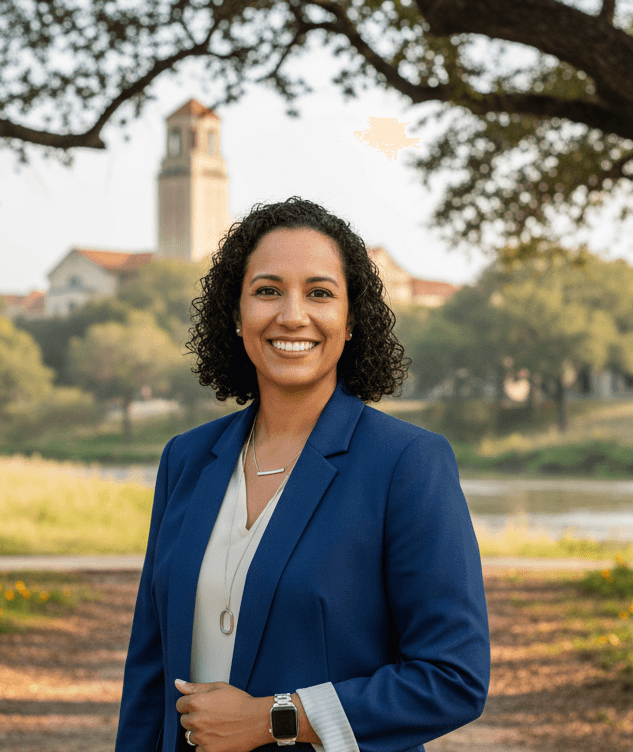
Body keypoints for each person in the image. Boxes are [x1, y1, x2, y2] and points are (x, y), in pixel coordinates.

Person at [115, 197, 489, 752]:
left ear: (351, 318)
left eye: (320, 293)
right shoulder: (186, 460)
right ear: (236, 315)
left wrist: (277, 718)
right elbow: (149, 675)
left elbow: (452, 678)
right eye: (267, 290)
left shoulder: (407, 463)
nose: (292, 315)